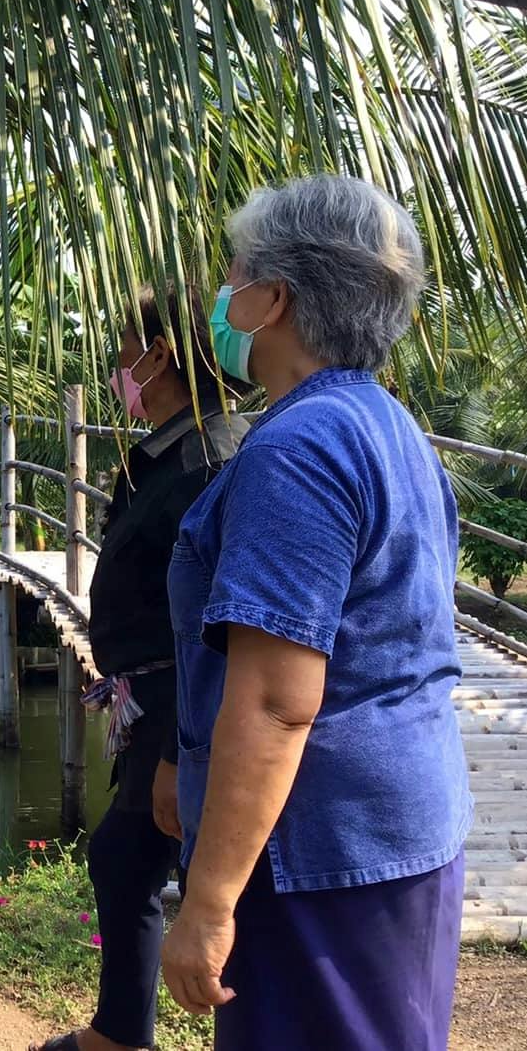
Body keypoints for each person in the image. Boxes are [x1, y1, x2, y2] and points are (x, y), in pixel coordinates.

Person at [161, 174, 472, 1049]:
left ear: (271, 298)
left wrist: (209, 902)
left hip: (318, 850)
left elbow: (274, 699)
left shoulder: (296, 450)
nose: (219, 293)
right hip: (398, 823)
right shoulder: (386, 427)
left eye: (232, 274)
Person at [30, 287, 248, 1051]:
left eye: (123, 352)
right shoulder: (163, 451)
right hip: (149, 694)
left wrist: (174, 751)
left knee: (168, 863)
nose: (117, 367)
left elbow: (219, 624)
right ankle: (121, 1031)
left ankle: (136, 1034)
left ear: (157, 356)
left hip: (180, 699)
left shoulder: (209, 458)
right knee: (126, 858)